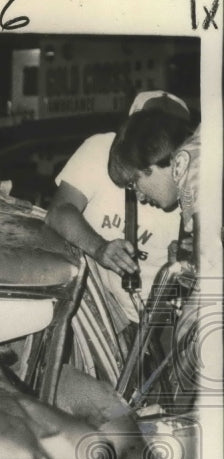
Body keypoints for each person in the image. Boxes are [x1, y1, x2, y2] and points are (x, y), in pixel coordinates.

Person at [45, 91, 191, 331]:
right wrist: (99, 248)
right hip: (110, 314)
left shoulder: (200, 179)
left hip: (169, 322)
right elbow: (59, 211)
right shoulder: (100, 149)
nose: (140, 196)